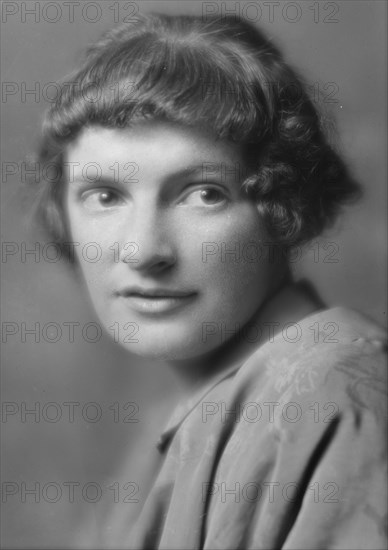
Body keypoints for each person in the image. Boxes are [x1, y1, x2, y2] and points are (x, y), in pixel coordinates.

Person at [33, 13, 387, 550]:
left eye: (204, 193)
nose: (143, 250)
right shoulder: (161, 433)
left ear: (281, 206)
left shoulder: (333, 394)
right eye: (105, 195)